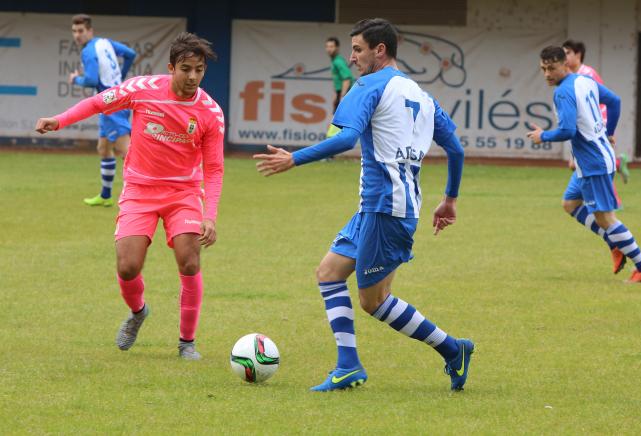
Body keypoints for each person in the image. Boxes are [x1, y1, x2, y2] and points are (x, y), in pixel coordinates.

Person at [254, 18, 473, 392]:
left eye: (357, 49)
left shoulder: (370, 85)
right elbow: (455, 148)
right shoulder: (421, 94)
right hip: (382, 207)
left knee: (375, 302)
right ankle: (348, 364)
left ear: (379, 50)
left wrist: (295, 159)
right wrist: (449, 199)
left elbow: (346, 139)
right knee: (328, 272)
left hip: (386, 208)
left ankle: (454, 349)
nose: (353, 57)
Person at [36, 32, 225, 359]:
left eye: (199, 70)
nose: (193, 76)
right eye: (186, 68)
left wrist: (210, 215)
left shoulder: (210, 112)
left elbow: (215, 168)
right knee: (127, 267)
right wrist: (59, 120)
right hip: (140, 190)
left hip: (183, 193)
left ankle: (186, 342)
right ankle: (138, 312)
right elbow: (98, 102)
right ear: (171, 67)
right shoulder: (142, 90)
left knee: (190, 259)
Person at [528, 46, 641, 283]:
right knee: (570, 203)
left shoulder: (562, 93)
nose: (547, 74)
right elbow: (615, 101)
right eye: (543, 69)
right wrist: (609, 132)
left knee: (605, 219)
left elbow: (567, 130)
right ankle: (614, 242)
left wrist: (543, 136)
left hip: (592, 163)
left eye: (552, 68)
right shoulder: (584, 81)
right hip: (595, 158)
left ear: (565, 64)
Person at [69, 14, 137, 207]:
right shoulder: (104, 43)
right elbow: (131, 54)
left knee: (127, 152)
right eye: (74, 31)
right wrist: (120, 80)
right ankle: (106, 195)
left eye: (81, 31)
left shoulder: (89, 51)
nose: (77, 35)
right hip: (111, 100)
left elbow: (90, 80)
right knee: (104, 148)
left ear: (90, 31)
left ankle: (141, 195)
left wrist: (75, 79)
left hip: (111, 103)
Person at [563, 39, 630, 184]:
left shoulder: (588, 74)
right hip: (582, 125)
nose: (565, 57)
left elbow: (605, 100)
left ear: (578, 54)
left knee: (595, 164)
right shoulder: (570, 76)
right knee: (576, 165)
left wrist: (605, 128)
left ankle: (609, 201)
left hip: (597, 123)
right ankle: (618, 163)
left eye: (568, 53)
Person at [324, 36, 354, 139]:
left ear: (337, 48)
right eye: (327, 46)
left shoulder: (338, 61)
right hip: (341, 93)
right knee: (335, 121)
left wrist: (342, 96)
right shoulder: (335, 61)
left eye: (331, 46)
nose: (329, 49)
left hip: (344, 93)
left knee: (334, 121)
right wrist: (336, 96)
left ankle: (330, 149)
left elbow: (347, 78)